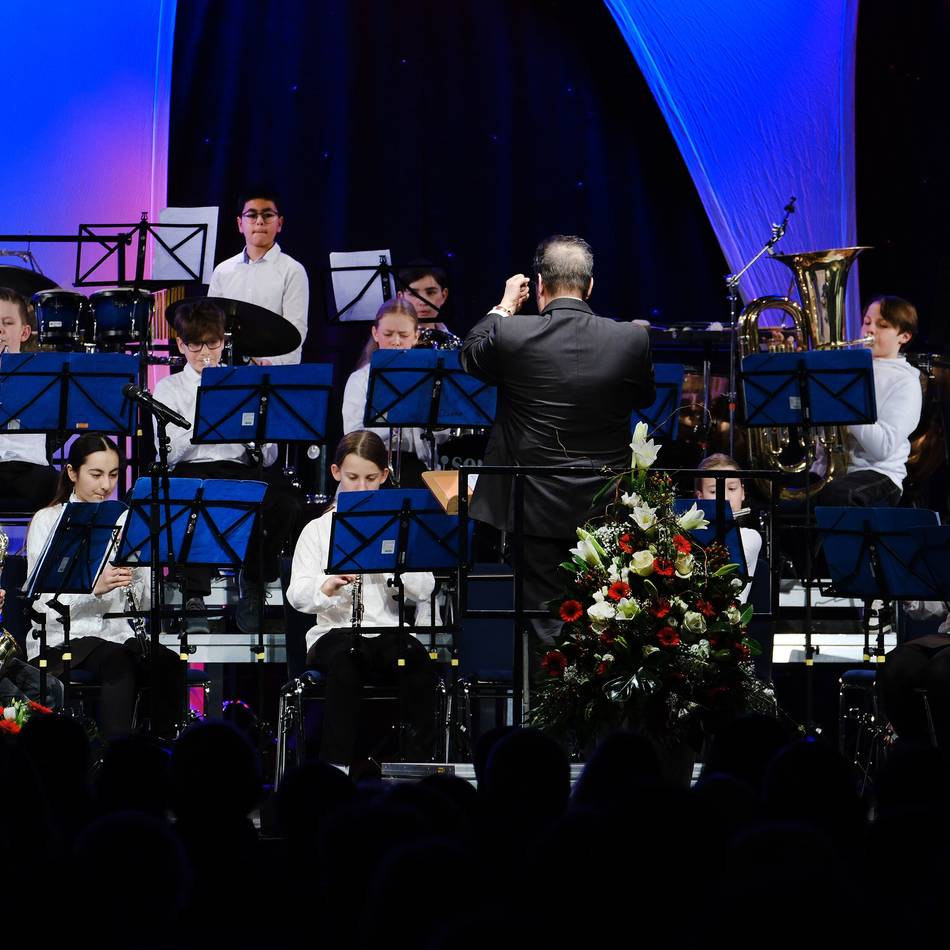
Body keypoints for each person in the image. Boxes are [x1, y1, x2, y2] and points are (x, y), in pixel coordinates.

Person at [460, 235, 655, 642]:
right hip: (606, 506)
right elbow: (645, 397)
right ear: (590, 286)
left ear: (540, 286)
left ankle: (551, 698)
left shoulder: (514, 334)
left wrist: (505, 306)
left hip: (532, 507)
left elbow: (471, 354)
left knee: (549, 625)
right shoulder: (632, 339)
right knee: (607, 621)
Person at [286, 431, 437, 768]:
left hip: (385, 632)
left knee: (417, 662)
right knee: (346, 665)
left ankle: (417, 767)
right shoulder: (318, 530)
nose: (361, 488)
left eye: (371, 479)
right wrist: (327, 587)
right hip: (334, 634)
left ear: (384, 476)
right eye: (352, 478)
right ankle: (336, 770)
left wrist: (392, 566)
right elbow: (297, 594)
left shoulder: (401, 527)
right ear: (336, 472)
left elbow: (425, 588)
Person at [152, 300, 303, 633]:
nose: (205, 352)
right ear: (180, 344)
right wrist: (206, 421)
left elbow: (271, 455)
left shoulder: (245, 382)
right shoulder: (169, 388)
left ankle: (253, 580)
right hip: (192, 467)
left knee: (285, 500)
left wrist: (257, 437)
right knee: (191, 495)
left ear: (224, 341)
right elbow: (167, 453)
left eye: (213, 343)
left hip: (239, 467)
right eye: (195, 344)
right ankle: (194, 594)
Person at [26, 433, 183, 738]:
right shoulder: (48, 520)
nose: (106, 485)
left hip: (119, 634)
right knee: (118, 661)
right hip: (63, 637)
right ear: (72, 473)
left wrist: (140, 576)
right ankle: (115, 759)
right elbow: (40, 602)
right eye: (95, 475)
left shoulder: (126, 519)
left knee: (167, 662)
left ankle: (161, 753)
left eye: (113, 475)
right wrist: (92, 587)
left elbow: (147, 603)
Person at [814, 295, 923, 506]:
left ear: (904, 336)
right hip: (825, 469)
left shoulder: (905, 382)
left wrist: (845, 401)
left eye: (882, 325)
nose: (869, 330)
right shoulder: (845, 367)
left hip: (878, 474)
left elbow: (882, 447)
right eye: (866, 322)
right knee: (772, 492)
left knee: (837, 495)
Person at [343, 298, 445, 483]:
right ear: (375, 333)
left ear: (416, 336)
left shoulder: (431, 379)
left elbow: (443, 435)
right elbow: (353, 436)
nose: (396, 342)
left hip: (425, 471)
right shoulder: (359, 380)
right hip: (375, 472)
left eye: (403, 335)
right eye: (388, 334)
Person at [207, 189, 309, 364]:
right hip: (228, 370)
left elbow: (296, 330)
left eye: (268, 215)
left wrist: (271, 362)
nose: (260, 222)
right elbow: (210, 325)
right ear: (240, 224)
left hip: (274, 372)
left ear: (279, 223)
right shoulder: (222, 271)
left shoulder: (292, 270)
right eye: (252, 215)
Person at [0, 288, 59, 510]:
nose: (0, 330)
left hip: (31, 469)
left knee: (56, 483)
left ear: (24, 333)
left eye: (8, 323)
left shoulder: (43, 376)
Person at [694, 453, 762, 601]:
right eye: (714, 491)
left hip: (728, 620)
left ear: (742, 492)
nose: (725, 497)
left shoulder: (750, 537)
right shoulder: (688, 536)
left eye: (732, 488)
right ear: (700, 496)